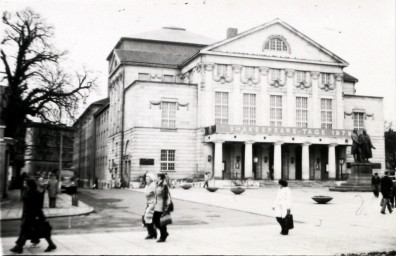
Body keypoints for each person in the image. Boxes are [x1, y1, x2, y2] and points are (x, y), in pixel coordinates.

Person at [10, 179, 56, 254]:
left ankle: (19, 247)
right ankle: (51, 244)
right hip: (32, 215)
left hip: (31, 215)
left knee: (26, 231)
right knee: (36, 231)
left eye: (25, 183)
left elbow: (34, 206)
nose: (24, 184)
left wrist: (36, 216)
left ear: (29, 185)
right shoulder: (33, 192)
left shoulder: (31, 193)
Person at [153, 173, 171, 242]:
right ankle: (164, 233)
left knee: (161, 221)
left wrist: (165, 207)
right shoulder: (158, 184)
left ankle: (163, 236)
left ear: (160, 177)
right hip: (157, 205)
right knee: (156, 220)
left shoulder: (164, 185)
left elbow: (166, 196)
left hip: (161, 206)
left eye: (157, 177)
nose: (155, 178)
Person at [143, 173, 157, 239]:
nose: (146, 179)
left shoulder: (153, 186)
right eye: (146, 178)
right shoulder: (147, 186)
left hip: (153, 203)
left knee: (147, 217)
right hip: (148, 203)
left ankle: (152, 233)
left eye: (147, 178)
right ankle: (152, 233)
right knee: (146, 218)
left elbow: (157, 194)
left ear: (151, 179)